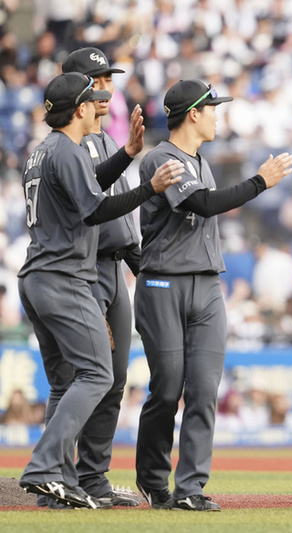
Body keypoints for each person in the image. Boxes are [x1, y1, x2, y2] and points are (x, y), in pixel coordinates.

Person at [17, 72, 183, 510]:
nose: (99, 106)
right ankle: (43, 469)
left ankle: (58, 485)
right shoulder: (69, 150)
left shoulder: (42, 152)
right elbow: (96, 209)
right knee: (98, 374)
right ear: (80, 109)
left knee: (62, 384)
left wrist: (127, 154)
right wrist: (151, 187)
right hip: (65, 276)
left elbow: (85, 188)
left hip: (36, 277)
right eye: (93, 101)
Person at [134, 79, 292, 512]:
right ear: (193, 113)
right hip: (163, 283)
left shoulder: (199, 160)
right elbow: (203, 205)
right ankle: (152, 481)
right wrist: (260, 181)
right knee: (167, 389)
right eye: (212, 108)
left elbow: (206, 200)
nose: (217, 114)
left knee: (204, 389)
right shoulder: (161, 158)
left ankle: (190, 489)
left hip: (206, 285)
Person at [46, 45, 147, 509]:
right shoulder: (70, 145)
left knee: (114, 378)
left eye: (107, 80)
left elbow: (122, 225)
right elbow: (92, 215)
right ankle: (56, 480)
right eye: (95, 81)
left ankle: (92, 478)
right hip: (81, 271)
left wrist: (138, 266)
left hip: (113, 268)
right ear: (77, 91)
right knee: (74, 378)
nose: (105, 88)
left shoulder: (108, 141)